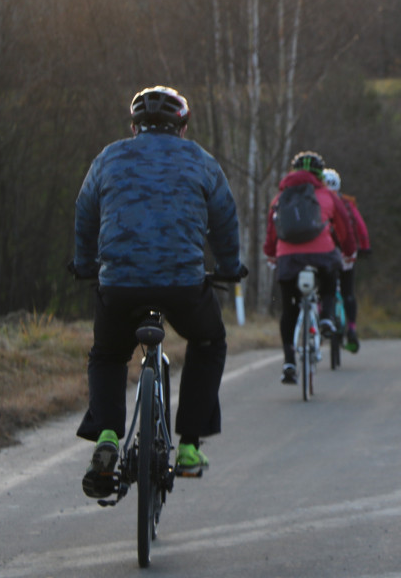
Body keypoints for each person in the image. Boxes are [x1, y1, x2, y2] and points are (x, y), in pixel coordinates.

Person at [72, 85, 246, 499]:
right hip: (183, 285)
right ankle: (188, 446)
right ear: (182, 127)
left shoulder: (108, 157)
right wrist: (228, 266)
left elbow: (85, 212)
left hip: (120, 285)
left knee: (108, 354)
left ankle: (108, 436)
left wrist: (84, 264)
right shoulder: (201, 161)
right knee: (209, 340)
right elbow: (224, 219)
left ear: (134, 126)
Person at [263, 151, 356, 384]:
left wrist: (271, 254)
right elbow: (344, 226)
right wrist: (348, 251)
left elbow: (272, 230)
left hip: (288, 259)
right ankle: (326, 317)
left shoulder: (280, 197)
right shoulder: (327, 195)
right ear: (319, 175)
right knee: (329, 280)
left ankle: (289, 362)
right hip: (322, 255)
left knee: (289, 310)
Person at [322, 168, 370, 353]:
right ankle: (351, 328)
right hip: (345, 254)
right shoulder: (347, 204)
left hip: (323, 254)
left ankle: (321, 316)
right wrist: (365, 247)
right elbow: (360, 226)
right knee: (348, 292)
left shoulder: (316, 202)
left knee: (322, 288)